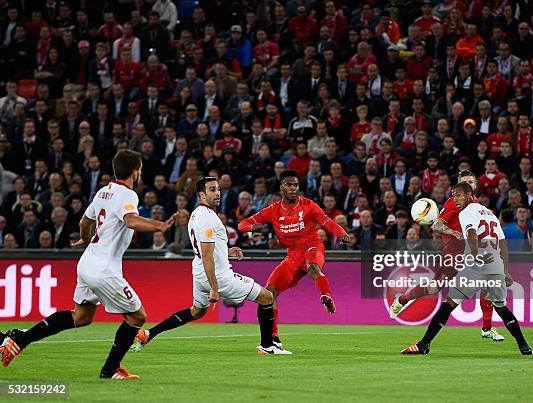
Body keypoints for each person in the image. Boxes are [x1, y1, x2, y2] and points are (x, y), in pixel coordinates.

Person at [0, 150, 175, 378]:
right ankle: (110, 370)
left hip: (87, 262)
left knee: (81, 317)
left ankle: (19, 341)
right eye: (139, 169)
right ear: (136, 171)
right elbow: (130, 220)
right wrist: (158, 226)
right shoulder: (127, 195)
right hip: (104, 270)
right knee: (138, 317)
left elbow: (85, 221)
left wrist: (85, 237)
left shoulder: (104, 191)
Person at [132, 177, 288, 355]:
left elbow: (207, 247)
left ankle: (148, 333)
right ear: (202, 194)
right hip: (218, 276)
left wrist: (227, 251)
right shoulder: (207, 218)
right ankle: (267, 346)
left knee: (197, 312)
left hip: (199, 274)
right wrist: (214, 287)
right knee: (267, 297)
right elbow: (207, 254)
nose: (218, 193)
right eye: (212, 189)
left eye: (218, 189)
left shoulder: (197, 214)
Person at [401, 182, 532, 356]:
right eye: (453, 195)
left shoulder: (466, 212)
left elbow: (471, 234)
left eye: (458, 195)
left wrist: (475, 255)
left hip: (477, 267)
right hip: (495, 266)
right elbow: (503, 243)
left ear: (469, 195)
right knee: (501, 308)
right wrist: (505, 270)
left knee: (448, 305)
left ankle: (424, 344)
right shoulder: (491, 215)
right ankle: (524, 346)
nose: (455, 199)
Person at [237, 170, 349, 349]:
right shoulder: (272, 210)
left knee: (313, 267)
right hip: (292, 255)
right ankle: (273, 339)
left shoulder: (309, 205)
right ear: (282, 187)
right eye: (289, 185)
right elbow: (241, 224)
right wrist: (251, 227)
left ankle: (326, 296)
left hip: (313, 247)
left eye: (296, 185)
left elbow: (328, 222)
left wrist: (341, 233)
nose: (293, 188)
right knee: (268, 293)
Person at [389, 170, 503, 342]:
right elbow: (437, 224)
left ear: (475, 186)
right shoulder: (453, 202)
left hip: (473, 250)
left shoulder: (477, 205)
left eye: (470, 182)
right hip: (454, 250)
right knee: (435, 287)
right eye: (464, 182)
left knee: (488, 284)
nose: (468, 185)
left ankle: (487, 327)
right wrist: (453, 232)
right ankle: (403, 299)